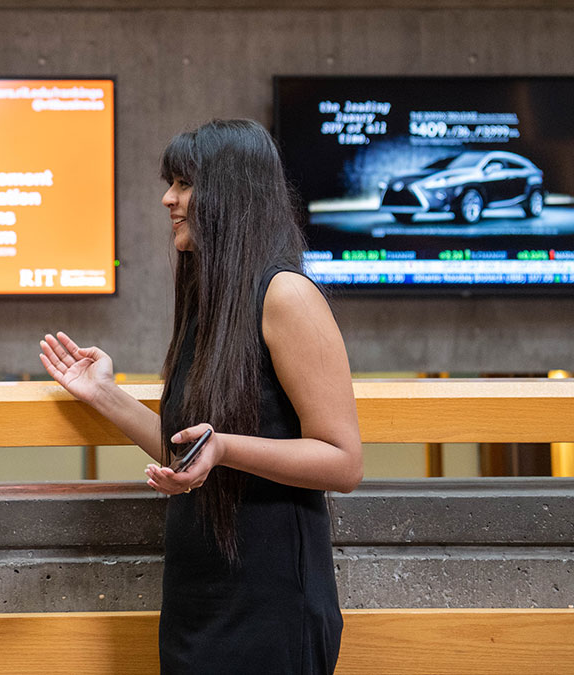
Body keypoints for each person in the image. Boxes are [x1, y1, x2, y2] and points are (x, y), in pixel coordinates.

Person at [40, 119, 362, 674]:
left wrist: (226, 448)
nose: (168, 199)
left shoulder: (286, 294)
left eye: (184, 184)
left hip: (271, 604)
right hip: (200, 597)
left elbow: (343, 460)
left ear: (231, 193)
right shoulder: (209, 304)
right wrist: (104, 395)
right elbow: (186, 450)